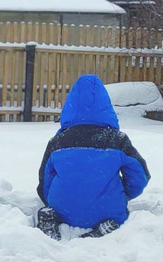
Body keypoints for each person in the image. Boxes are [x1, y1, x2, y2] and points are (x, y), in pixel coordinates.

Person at [35, 74, 150, 240]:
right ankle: (104, 229)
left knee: (57, 202)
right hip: (107, 210)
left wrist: (50, 200)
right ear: (106, 106)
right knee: (115, 215)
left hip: (63, 209)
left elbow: (45, 181)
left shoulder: (58, 142)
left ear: (70, 107)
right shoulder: (117, 140)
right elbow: (140, 177)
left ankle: (52, 221)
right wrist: (124, 194)